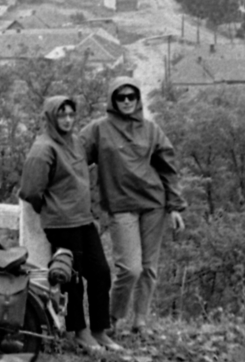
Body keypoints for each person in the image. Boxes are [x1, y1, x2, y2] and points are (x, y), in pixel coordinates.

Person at [78, 77, 184, 337]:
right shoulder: (98, 130)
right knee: (130, 268)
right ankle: (111, 319)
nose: (126, 101)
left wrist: (175, 206)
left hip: (153, 204)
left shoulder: (150, 130)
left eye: (131, 96)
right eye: (121, 96)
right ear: (112, 100)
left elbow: (168, 168)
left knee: (148, 268)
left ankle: (140, 321)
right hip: (120, 205)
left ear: (138, 99)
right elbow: (74, 156)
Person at [18, 95, 120, 354]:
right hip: (61, 224)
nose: (66, 119)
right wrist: (51, 208)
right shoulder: (43, 148)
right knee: (72, 278)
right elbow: (30, 190)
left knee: (100, 273)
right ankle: (80, 333)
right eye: (61, 114)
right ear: (51, 117)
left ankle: (99, 330)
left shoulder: (76, 143)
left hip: (84, 219)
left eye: (70, 114)